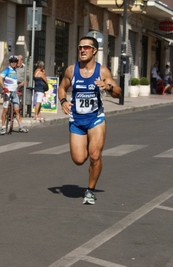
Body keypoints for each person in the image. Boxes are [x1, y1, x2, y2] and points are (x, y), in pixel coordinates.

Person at [57, 36, 121, 205]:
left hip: (95, 118)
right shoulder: (72, 70)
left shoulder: (102, 71)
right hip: (77, 119)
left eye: (86, 47)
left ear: (94, 51)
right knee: (79, 160)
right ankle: (86, 143)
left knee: (94, 156)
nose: (83, 50)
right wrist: (63, 101)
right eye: (80, 47)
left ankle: (90, 190)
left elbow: (118, 92)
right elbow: (62, 88)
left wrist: (107, 87)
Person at [0, 55, 28, 133]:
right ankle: (3, 127)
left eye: (15, 62)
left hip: (14, 92)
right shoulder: (7, 70)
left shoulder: (16, 70)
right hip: (7, 93)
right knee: (5, 110)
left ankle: (21, 126)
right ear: (10, 62)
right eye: (12, 62)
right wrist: (4, 87)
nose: (14, 63)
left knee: (17, 110)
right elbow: (0, 79)